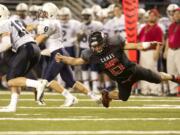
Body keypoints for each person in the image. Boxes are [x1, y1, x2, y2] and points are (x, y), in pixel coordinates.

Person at [55, 31, 180, 108]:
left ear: (104, 42)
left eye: (99, 45)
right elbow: (76, 61)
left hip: (133, 70)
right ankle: (107, 95)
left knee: (157, 78)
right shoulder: (90, 54)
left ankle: (175, 77)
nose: (97, 48)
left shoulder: (114, 43)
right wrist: (63, 58)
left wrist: (150, 44)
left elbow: (136, 45)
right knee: (123, 97)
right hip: (121, 80)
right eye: (94, 46)